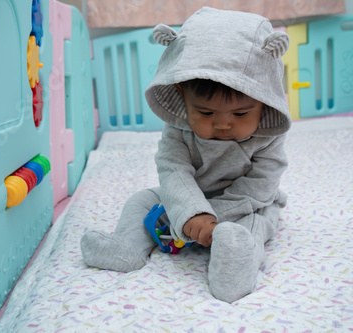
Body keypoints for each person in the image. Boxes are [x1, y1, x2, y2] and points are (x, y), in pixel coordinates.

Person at [81, 6, 291, 303]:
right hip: (188, 197)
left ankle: (236, 269)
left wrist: (213, 218)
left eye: (241, 113)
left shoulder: (267, 137)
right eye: (205, 112)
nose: (222, 124)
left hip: (245, 204)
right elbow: (173, 169)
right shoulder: (179, 129)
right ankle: (127, 247)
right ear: (181, 94)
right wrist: (191, 212)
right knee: (143, 201)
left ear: (265, 100)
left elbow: (262, 185)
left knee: (253, 226)